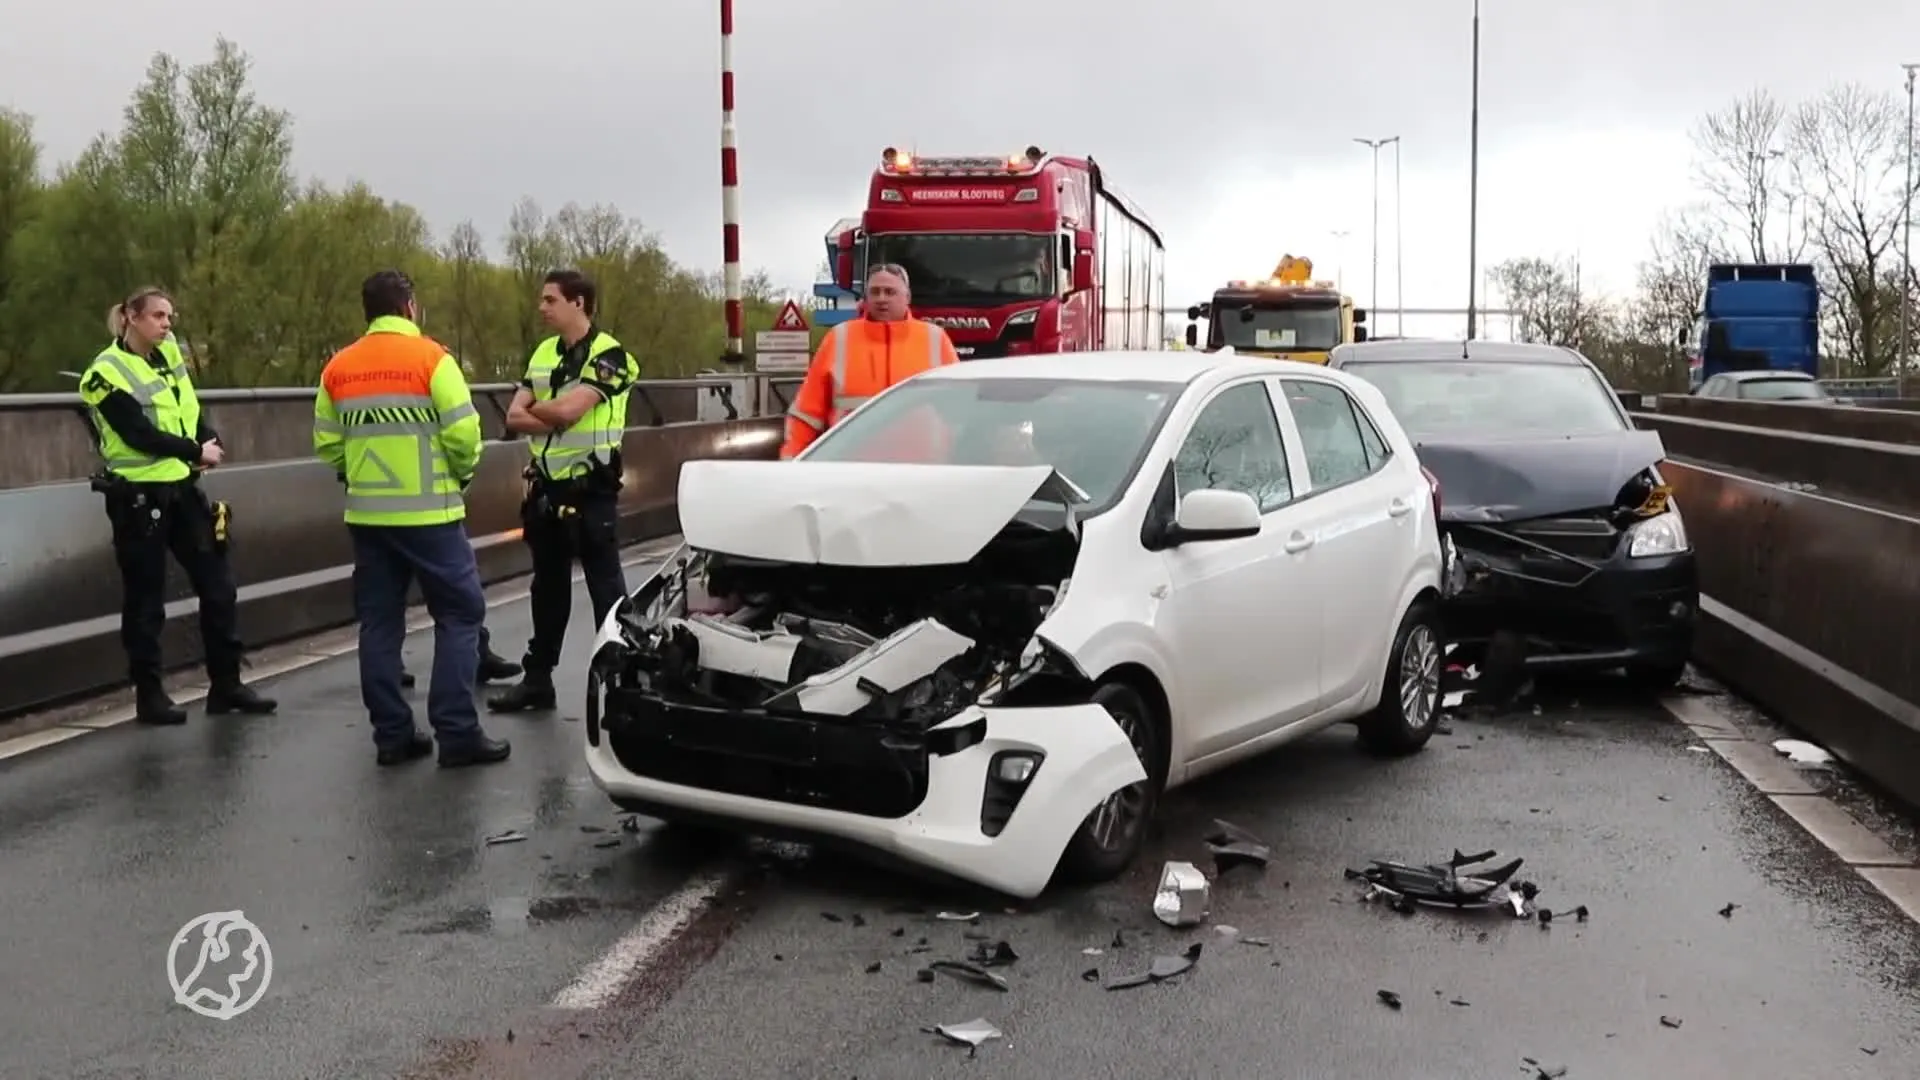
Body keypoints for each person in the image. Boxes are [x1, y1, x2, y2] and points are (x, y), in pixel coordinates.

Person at [314, 270, 510, 767]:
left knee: (379, 624)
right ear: (409, 307)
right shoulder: (431, 358)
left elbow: (327, 443)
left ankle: (393, 737)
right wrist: (458, 479)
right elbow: (465, 435)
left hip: (368, 516)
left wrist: (357, 476)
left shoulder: (338, 367)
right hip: (431, 514)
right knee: (460, 615)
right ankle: (457, 733)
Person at [78, 288, 277, 725]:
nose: (167, 324)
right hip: (139, 497)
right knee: (146, 600)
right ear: (131, 317)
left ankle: (226, 684)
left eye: (169, 316)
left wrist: (208, 439)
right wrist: (193, 450)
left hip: (184, 491)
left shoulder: (168, 355)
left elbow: (188, 408)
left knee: (218, 584)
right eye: (157, 316)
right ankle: (150, 695)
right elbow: (137, 435)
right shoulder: (103, 372)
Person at [487, 269, 639, 713]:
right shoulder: (542, 353)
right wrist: (545, 414)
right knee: (547, 589)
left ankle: (623, 685)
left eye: (550, 300)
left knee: (606, 589)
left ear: (579, 303)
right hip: (547, 488)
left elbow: (572, 411)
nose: (542, 307)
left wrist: (539, 409)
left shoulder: (611, 355)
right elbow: (513, 418)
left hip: (592, 490)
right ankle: (538, 681)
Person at [779, 263, 960, 458]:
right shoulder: (840, 338)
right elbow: (807, 413)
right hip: (852, 467)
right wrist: (791, 461)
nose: (881, 299)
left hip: (923, 468)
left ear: (907, 297)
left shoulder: (934, 338)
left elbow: (959, 406)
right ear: (865, 298)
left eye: (890, 292)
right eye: (875, 292)